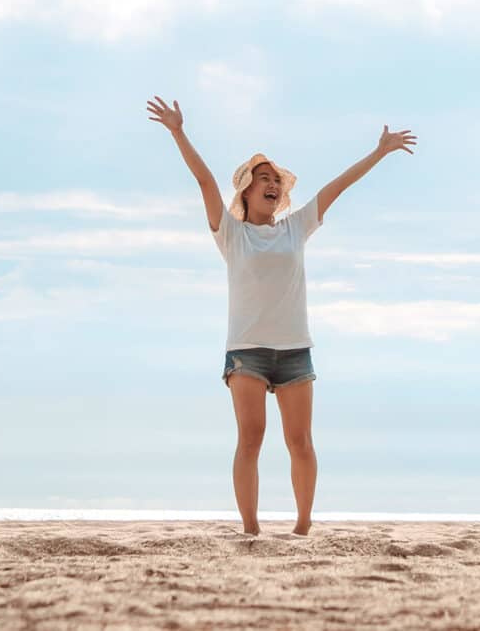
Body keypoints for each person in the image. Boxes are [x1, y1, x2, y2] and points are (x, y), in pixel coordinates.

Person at [145, 97, 416, 536]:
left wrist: (379, 151)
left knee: (300, 442)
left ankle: (303, 528)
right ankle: (250, 530)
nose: (272, 185)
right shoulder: (231, 233)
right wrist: (178, 131)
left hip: (294, 352)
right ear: (247, 191)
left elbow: (336, 188)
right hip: (247, 352)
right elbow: (203, 180)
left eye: (276, 180)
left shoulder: (295, 227)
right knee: (250, 439)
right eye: (263, 179)